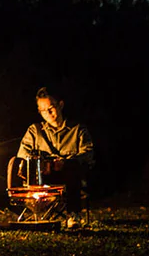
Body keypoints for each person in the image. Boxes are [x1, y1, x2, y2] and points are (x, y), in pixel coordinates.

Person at [15, 87, 94, 228]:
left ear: (61, 105)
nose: (48, 113)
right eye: (43, 110)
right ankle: (21, 211)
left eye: (51, 108)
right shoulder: (35, 130)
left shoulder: (77, 129)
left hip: (69, 175)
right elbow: (23, 153)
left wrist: (65, 162)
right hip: (42, 175)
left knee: (73, 167)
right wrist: (45, 161)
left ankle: (73, 215)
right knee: (19, 164)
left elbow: (88, 153)